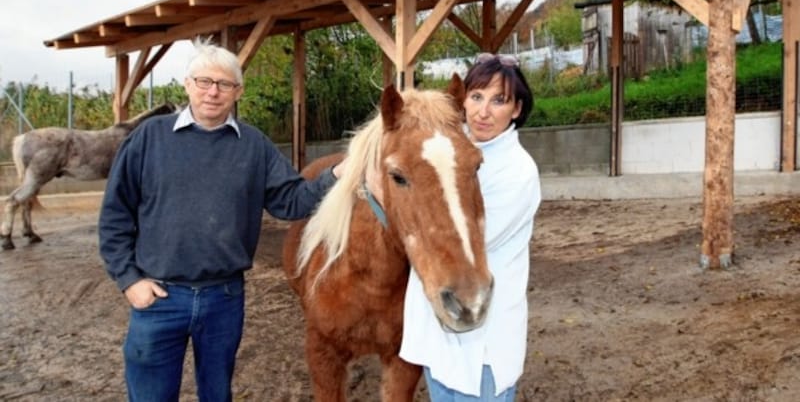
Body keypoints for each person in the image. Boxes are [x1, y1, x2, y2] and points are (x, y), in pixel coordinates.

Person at [98, 38, 342, 402]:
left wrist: (338, 174)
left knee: (217, 394)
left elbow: (291, 201)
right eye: (204, 82)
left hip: (223, 298)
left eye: (224, 84)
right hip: (160, 297)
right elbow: (115, 214)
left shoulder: (254, 146)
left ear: (237, 90)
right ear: (187, 84)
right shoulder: (149, 138)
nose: (213, 92)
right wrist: (129, 279)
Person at [399, 53, 541, 400]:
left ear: (517, 110)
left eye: (499, 100)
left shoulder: (519, 173)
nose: (483, 111)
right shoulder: (451, 151)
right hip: (438, 335)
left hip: (482, 347)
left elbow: (456, 238)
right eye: (476, 97)